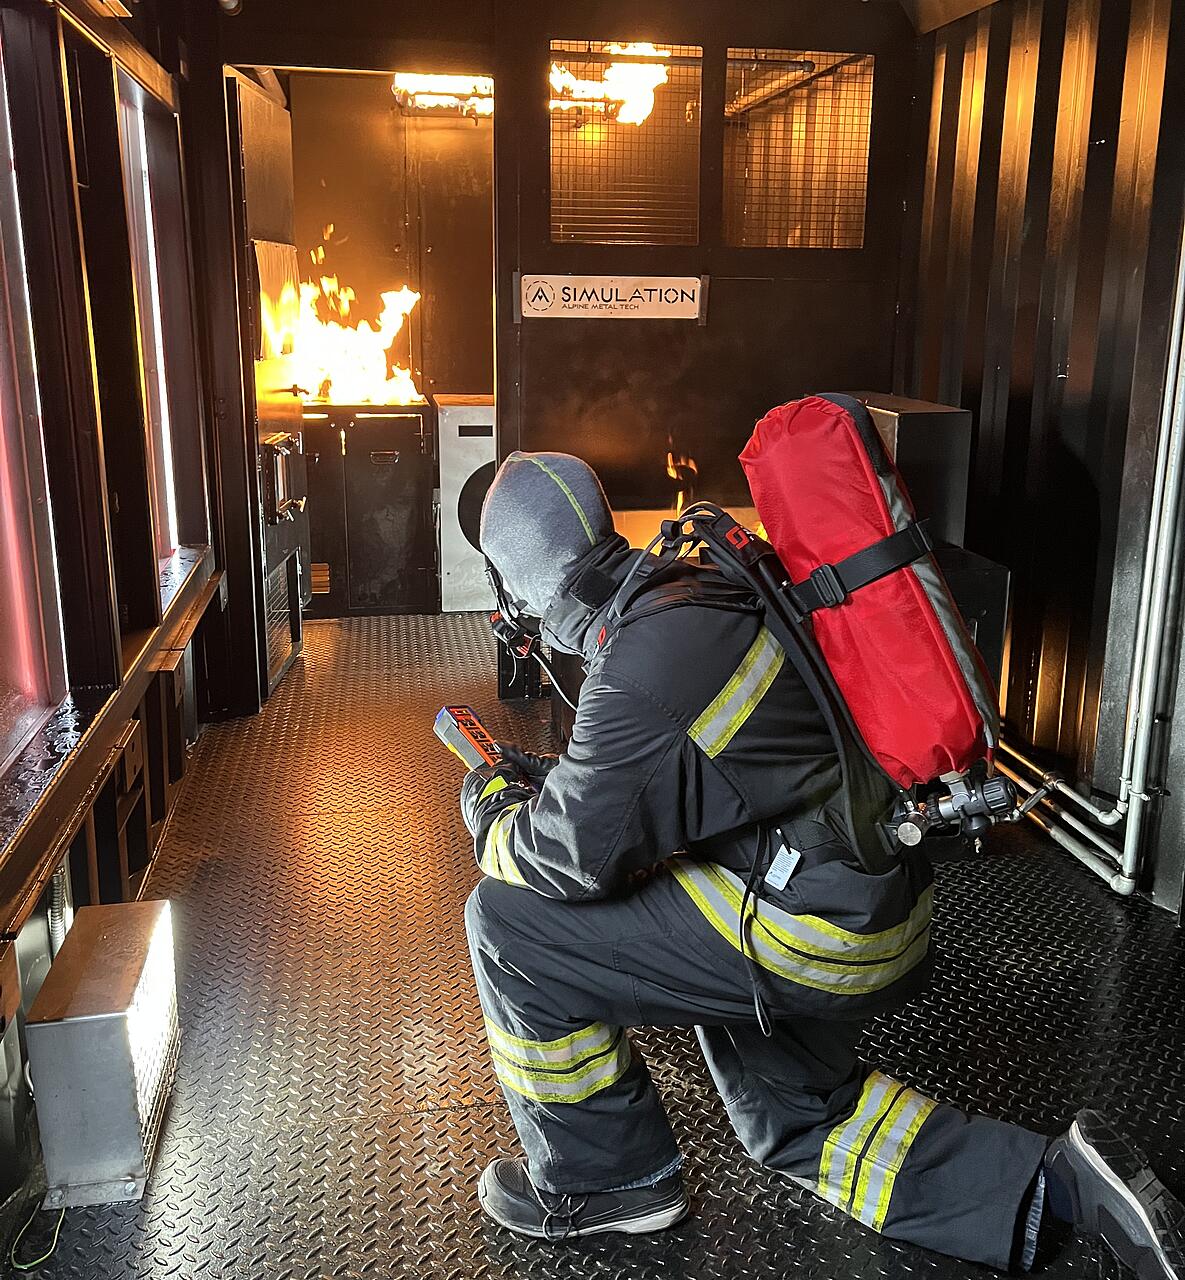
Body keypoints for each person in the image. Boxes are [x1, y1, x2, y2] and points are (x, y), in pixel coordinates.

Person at [459, 449, 1185, 1277]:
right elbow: (690, 768)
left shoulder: (638, 666)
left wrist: (493, 813)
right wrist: (561, 782)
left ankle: (607, 1184)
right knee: (792, 1119)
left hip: (809, 930)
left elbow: (568, 862)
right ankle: (1054, 1189)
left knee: (507, 925)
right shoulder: (700, 583)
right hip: (868, 894)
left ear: (518, 584)